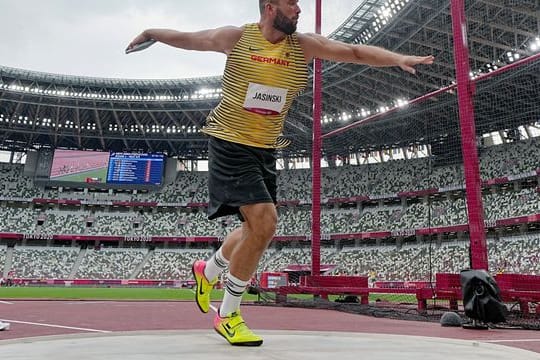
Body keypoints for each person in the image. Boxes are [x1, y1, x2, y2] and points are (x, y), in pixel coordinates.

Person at [127, 0, 434, 347]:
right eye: (292, 3)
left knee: (251, 229)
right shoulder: (236, 38)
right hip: (230, 142)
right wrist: (152, 31)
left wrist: (397, 59)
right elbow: (189, 38)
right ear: (271, 8)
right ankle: (227, 315)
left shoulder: (303, 46)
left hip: (265, 149)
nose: (299, 9)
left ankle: (207, 270)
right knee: (265, 223)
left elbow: (353, 51)